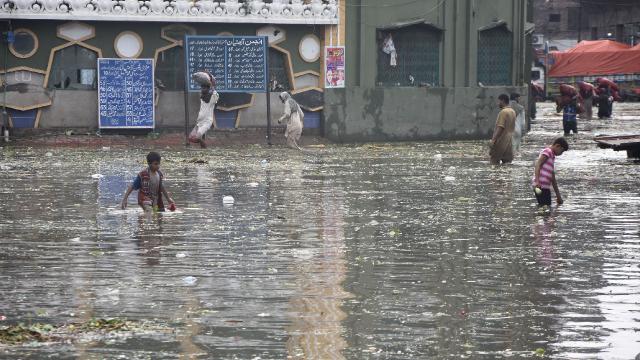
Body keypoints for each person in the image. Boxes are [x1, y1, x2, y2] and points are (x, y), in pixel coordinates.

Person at [532, 137, 569, 207]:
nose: (561, 153)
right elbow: (538, 165)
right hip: (540, 186)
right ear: (557, 146)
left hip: (545, 187)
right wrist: (537, 182)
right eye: (562, 151)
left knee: (546, 207)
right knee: (544, 207)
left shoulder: (552, 157)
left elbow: (553, 179)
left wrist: (558, 197)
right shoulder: (547, 151)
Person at [188, 71, 219, 149]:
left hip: (207, 121)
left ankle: (204, 146)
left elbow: (214, 91)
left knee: (196, 137)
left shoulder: (214, 96)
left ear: (208, 88)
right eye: (202, 87)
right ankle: (203, 146)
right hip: (199, 121)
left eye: (204, 87)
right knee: (190, 138)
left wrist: (211, 83)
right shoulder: (202, 96)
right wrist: (205, 75)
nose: (202, 89)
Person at [489, 94, 516, 165]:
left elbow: (500, 127)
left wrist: (493, 140)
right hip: (510, 142)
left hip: (501, 142)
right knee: (507, 164)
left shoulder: (503, 112)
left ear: (503, 101)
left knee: (494, 162)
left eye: (499, 101)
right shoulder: (512, 111)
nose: (498, 103)